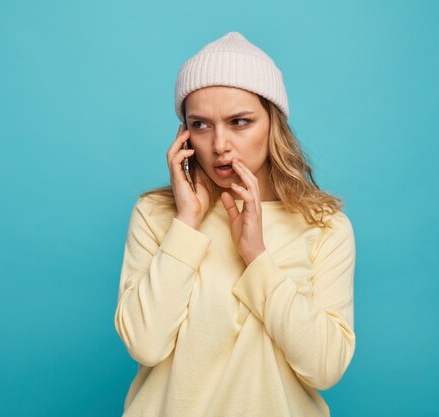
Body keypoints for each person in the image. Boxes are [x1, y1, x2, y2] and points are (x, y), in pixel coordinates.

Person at [114, 31, 356, 417]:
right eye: (201, 124)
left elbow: (325, 368)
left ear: (273, 124)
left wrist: (256, 256)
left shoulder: (323, 226)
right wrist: (187, 222)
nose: (220, 144)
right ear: (184, 134)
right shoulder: (157, 215)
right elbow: (145, 344)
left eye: (239, 122)